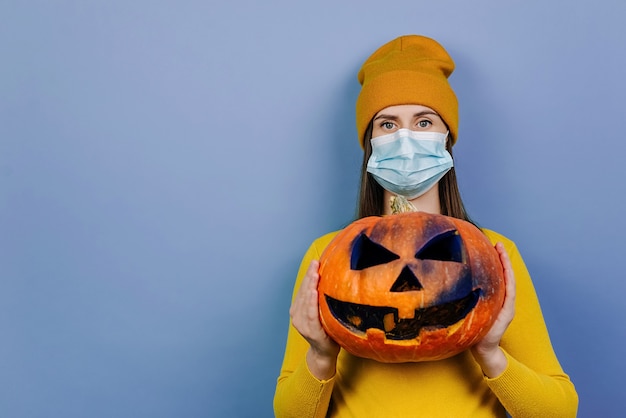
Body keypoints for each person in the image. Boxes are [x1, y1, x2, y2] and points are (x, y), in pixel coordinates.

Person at [274, 35, 578, 417]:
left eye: (423, 121)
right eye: (387, 123)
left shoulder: (494, 253)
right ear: (369, 142)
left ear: (446, 137)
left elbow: (559, 412)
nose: (406, 137)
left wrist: (490, 353)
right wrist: (320, 354)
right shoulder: (329, 254)